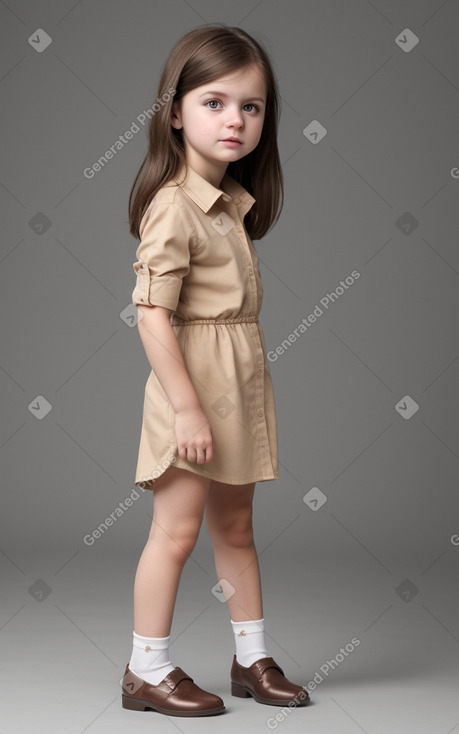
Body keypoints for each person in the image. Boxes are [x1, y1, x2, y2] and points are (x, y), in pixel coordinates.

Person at [121, 23, 310, 717]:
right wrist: (188, 409)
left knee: (236, 528)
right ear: (175, 111)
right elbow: (150, 316)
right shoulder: (174, 206)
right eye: (214, 102)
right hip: (191, 391)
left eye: (251, 106)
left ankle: (250, 656)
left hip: (237, 385)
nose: (234, 119)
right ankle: (146, 669)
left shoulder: (230, 202)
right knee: (173, 532)